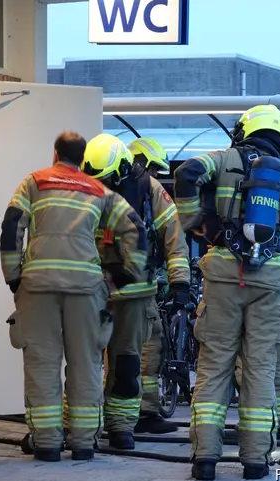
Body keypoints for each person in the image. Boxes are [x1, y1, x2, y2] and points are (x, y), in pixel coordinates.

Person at [0, 131, 148, 462]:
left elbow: (12, 228)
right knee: (87, 365)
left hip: (38, 288)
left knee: (42, 365)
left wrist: (13, 277)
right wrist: (119, 278)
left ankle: (48, 444)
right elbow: (136, 230)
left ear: (55, 154)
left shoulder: (34, 183)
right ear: (82, 160)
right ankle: (83, 444)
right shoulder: (99, 190)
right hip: (86, 290)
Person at [173, 104, 280, 481]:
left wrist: (195, 222)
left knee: (214, 365)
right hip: (271, 280)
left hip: (226, 273)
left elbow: (187, 172)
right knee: (260, 366)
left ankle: (205, 458)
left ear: (245, 129)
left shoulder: (224, 158)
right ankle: (256, 460)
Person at [82, 134, 190, 448]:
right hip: (109, 290)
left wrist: (180, 281)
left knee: (124, 361)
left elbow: (174, 239)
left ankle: (117, 426)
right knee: (97, 361)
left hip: (118, 292)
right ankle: (95, 428)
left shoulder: (147, 190)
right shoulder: (95, 189)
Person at [119, 138, 192, 435]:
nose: (157, 176)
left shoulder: (100, 184)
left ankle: (114, 418)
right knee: (150, 345)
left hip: (98, 285)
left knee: (104, 353)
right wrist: (180, 283)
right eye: (156, 169)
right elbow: (173, 236)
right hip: (138, 285)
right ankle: (144, 412)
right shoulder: (151, 188)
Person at [232, 213, 280, 440]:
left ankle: (252, 426)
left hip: (240, 284)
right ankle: (275, 422)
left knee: (247, 365)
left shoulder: (235, 182)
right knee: (278, 366)